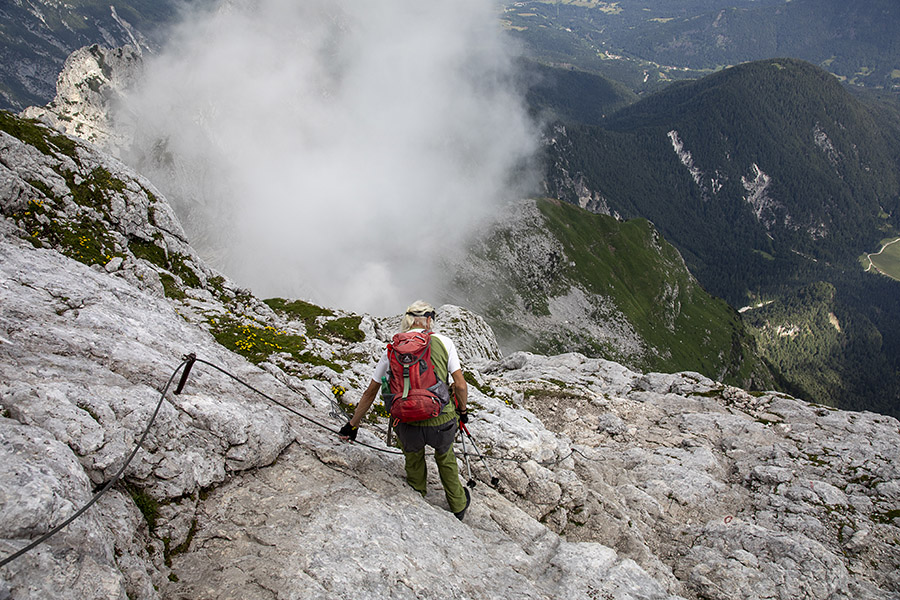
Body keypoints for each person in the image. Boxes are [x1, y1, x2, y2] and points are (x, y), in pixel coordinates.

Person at [338, 301, 471, 520]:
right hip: (441, 421)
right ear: (428, 320)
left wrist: (353, 425)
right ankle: (457, 503)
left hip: (407, 423)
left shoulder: (392, 349)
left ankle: (417, 496)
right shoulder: (444, 342)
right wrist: (463, 411)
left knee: (413, 459)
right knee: (445, 456)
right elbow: (460, 385)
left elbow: (371, 392)